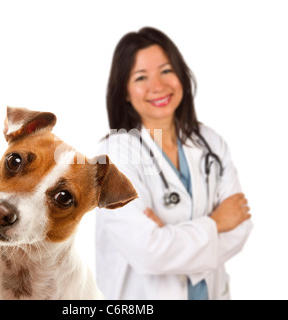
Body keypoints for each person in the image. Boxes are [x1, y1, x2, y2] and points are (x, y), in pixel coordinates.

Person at [95, 27, 253, 300]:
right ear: (124, 92)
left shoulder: (210, 143)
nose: (158, 86)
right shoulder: (115, 156)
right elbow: (148, 253)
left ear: (181, 74)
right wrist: (215, 224)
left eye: (166, 71)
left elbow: (240, 227)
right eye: (141, 77)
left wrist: (170, 236)